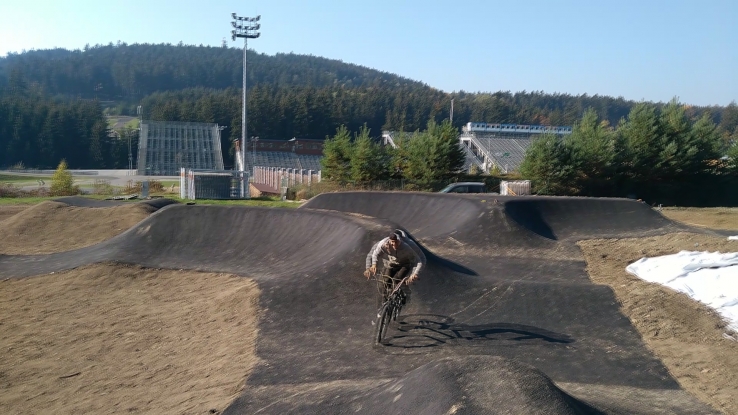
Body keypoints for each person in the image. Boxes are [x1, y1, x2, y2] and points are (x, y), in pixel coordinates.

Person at [364, 230, 426, 303]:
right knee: (384, 283)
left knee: (397, 280)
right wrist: (371, 266)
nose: (394, 245)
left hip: (405, 264)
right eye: (392, 242)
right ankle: (384, 307)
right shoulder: (382, 244)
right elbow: (371, 255)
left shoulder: (409, 245)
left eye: (397, 242)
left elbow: (421, 258)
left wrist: (415, 273)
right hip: (390, 264)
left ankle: (404, 294)